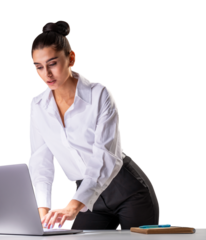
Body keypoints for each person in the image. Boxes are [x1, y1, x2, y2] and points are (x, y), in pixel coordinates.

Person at [29, 19, 160, 230]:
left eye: (53, 63)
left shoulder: (99, 94)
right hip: (89, 198)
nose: (47, 74)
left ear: (71, 58)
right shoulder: (38, 105)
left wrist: (72, 206)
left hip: (127, 191)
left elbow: (106, 156)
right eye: (39, 67)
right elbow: (40, 163)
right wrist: (42, 213)